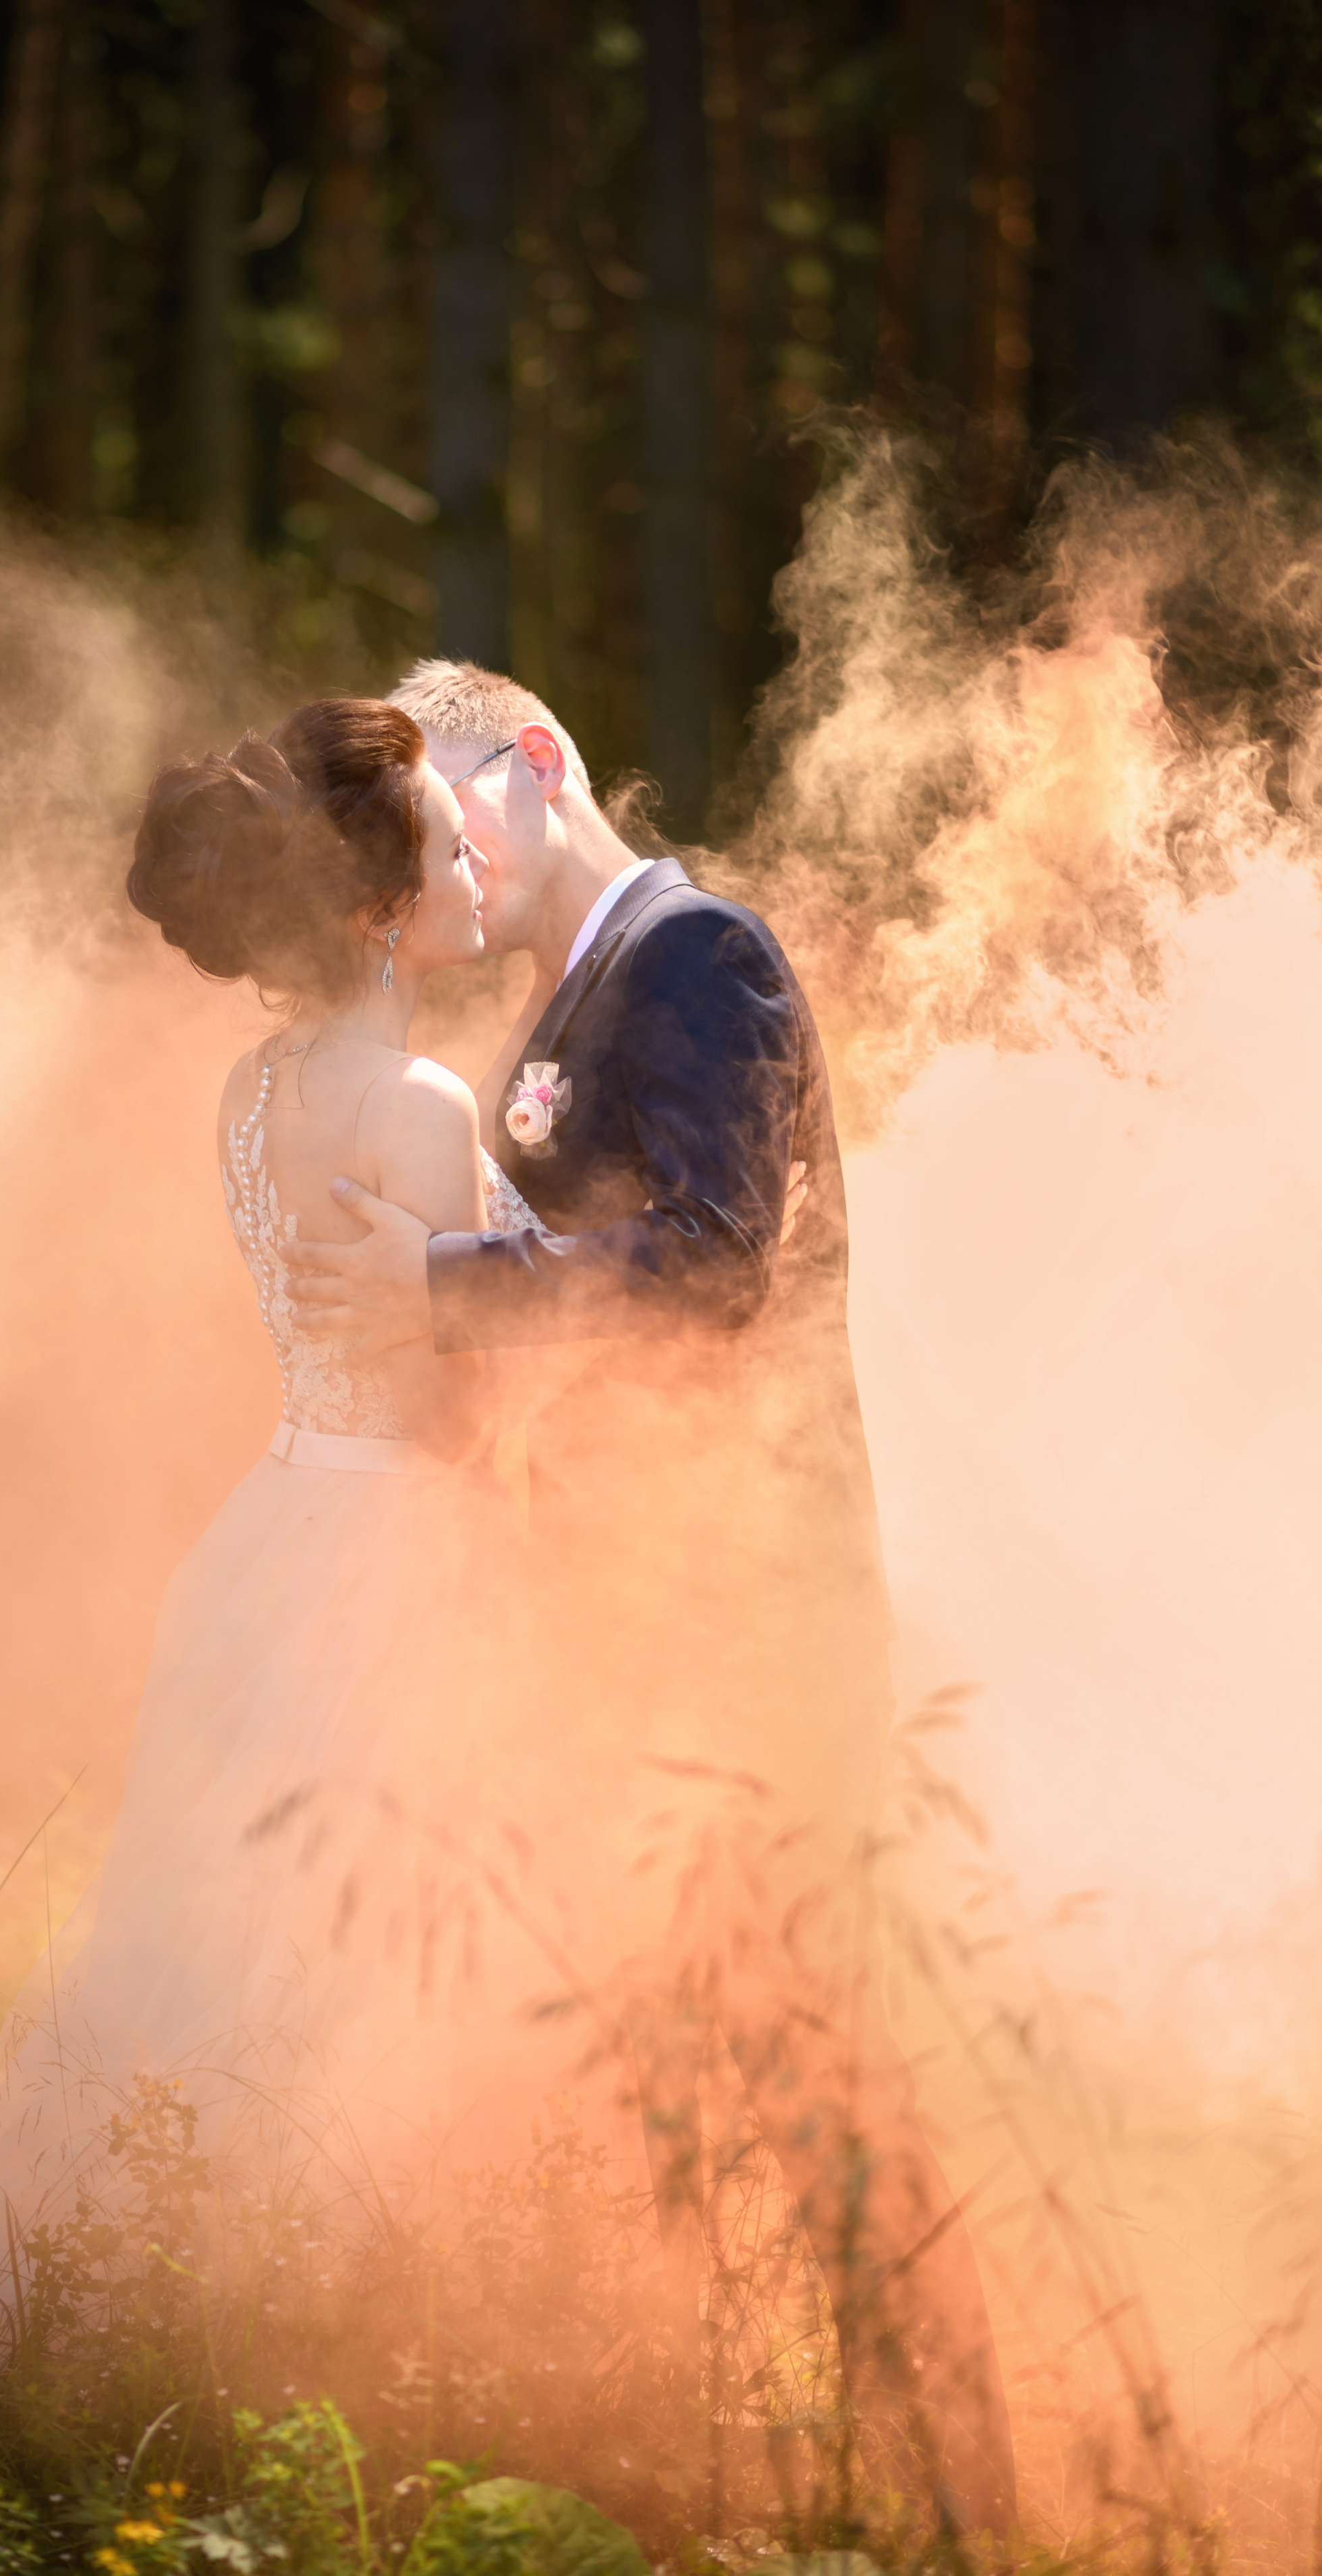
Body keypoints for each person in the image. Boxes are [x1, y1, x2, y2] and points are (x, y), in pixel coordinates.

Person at [283, 660, 1019, 2541]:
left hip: (750, 1627)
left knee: (835, 2090)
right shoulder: (561, 1007)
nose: (436, 855)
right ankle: (709, 2499)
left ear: (538, 764)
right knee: (650, 2096)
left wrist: (445, 1280)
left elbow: (704, 1272)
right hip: (616, 1630)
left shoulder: (703, 959)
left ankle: (981, 2509)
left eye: (454, 806)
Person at [0, 700, 596, 2343]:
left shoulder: (251, 1092)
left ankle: (111, 2266)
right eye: (436, 835)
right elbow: (432, 1401)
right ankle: (289, 2311)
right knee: (349, 1950)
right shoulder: (411, 1103)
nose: (471, 852)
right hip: (390, 1557)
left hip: (270, 1533)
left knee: (199, 1925)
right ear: (370, 910)